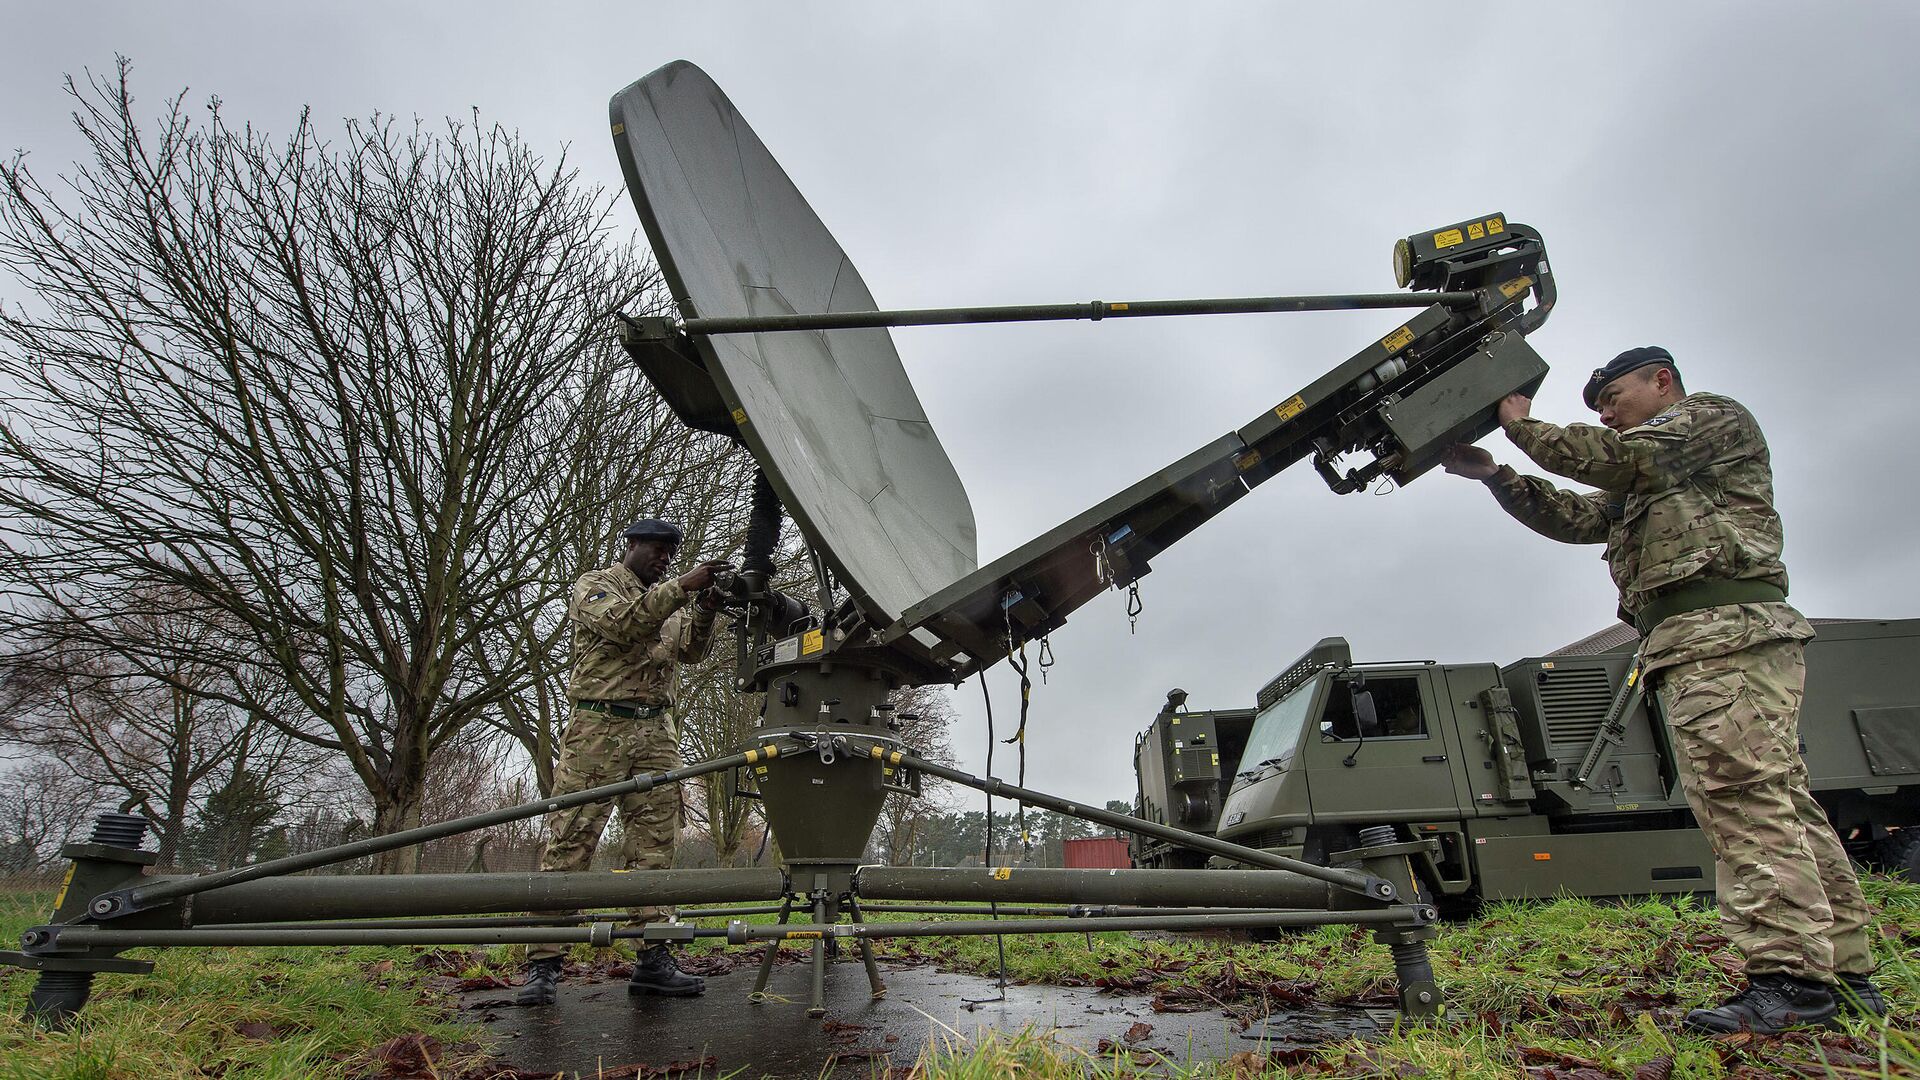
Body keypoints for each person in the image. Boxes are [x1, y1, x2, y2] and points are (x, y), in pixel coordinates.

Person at [1441, 347, 1878, 1034]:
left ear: (1661, 381)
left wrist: (1519, 424)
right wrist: (1499, 476)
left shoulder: (1705, 422)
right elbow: (1579, 519)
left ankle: (1792, 982)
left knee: (1742, 805)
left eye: (1614, 397)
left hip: (1722, 637)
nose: (1608, 415)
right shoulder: (1651, 475)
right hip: (1703, 641)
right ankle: (1844, 975)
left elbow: (1605, 459)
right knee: (1777, 801)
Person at [515, 518, 733, 1007]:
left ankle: (654, 957)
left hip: (655, 731)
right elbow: (625, 625)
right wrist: (683, 586)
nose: (664, 557)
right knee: (571, 839)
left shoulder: (669, 598)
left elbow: (691, 651)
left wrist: (706, 608)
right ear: (631, 544)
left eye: (670, 552)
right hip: (598, 729)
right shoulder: (597, 586)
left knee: (655, 846)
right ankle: (544, 964)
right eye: (656, 548)